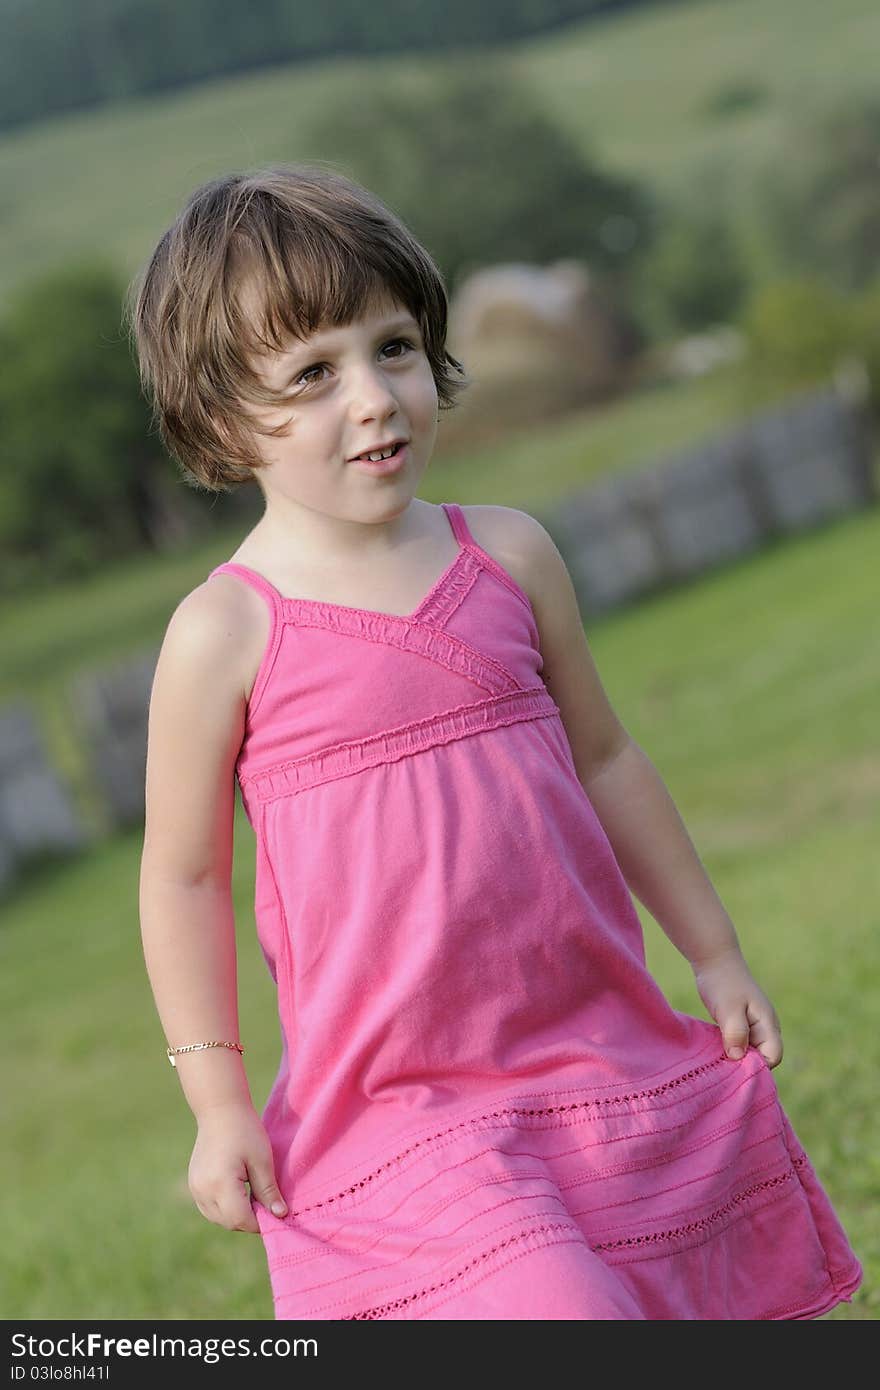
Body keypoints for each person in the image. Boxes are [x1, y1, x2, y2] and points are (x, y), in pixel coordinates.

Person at [130, 163, 863, 1321]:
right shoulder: (222, 633)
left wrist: (714, 953)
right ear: (224, 417)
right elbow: (180, 876)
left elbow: (609, 760)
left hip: (592, 1054)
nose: (372, 397)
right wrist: (217, 1102)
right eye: (312, 374)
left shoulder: (510, 557)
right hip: (401, 1107)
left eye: (392, 348)